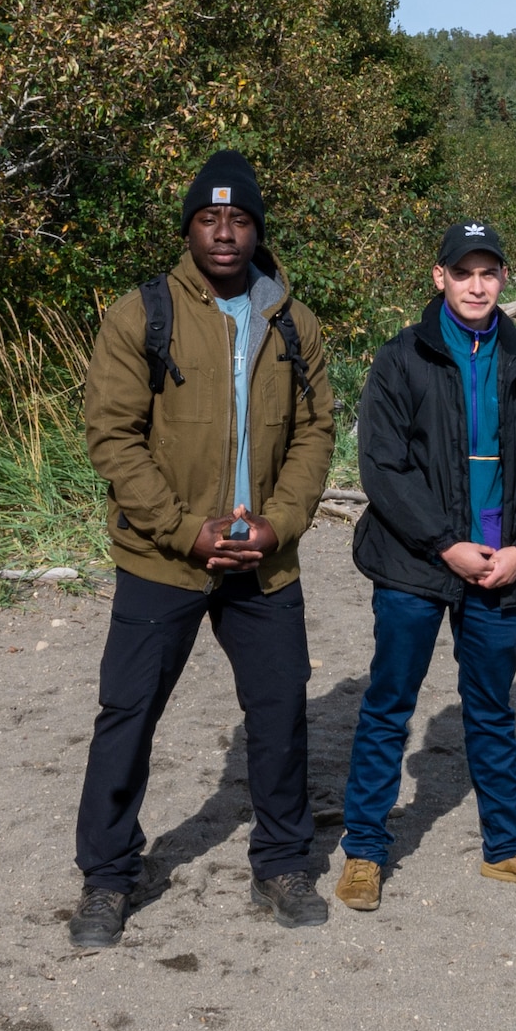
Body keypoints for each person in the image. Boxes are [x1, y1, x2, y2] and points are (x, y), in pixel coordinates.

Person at [71, 150, 336, 947]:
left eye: (240, 218)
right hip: (163, 557)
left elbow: (316, 434)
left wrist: (277, 524)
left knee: (280, 711)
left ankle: (283, 864)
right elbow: (112, 437)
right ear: (189, 227)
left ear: (258, 230)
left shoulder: (295, 321)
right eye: (209, 218)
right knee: (128, 713)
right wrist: (187, 529)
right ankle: (108, 878)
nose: (225, 233)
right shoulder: (140, 315)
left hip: (265, 559)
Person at [335, 220, 516, 911]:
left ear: (505, 280)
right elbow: (382, 466)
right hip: (414, 561)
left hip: (503, 561)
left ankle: (508, 847)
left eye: (489, 272)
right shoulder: (402, 357)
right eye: (463, 271)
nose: (477, 285)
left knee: (492, 708)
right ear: (439, 277)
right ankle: (364, 852)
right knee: (389, 707)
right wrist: (445, 542)